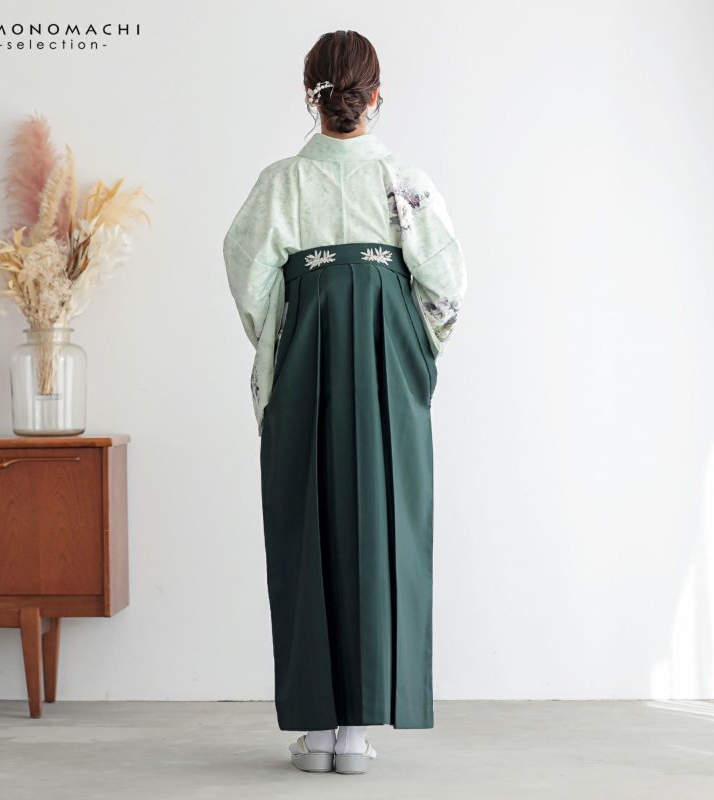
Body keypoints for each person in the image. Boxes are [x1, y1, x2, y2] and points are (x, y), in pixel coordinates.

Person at [223, 29, 466, 775]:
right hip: (387, 354)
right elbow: (445, 286)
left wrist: (284, 339)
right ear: (375, 94)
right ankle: (358, 732)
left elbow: (249, 276)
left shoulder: (282, 183)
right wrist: (413, 347)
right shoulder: (403, 179)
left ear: (312, 95)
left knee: (306, 525)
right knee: (382, 526)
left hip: (305, 352)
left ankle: (319, 731)